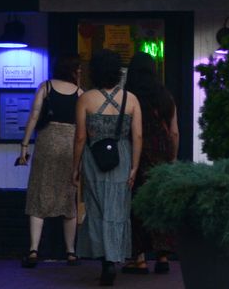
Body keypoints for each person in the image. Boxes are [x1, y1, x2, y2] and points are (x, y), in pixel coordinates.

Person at [72, 49, 141, 287]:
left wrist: (75, 166)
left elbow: (80, 137)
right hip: (122, 156)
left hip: (94, 157)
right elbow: (138, 136)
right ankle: (115, 257)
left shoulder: (85, 99)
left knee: (97, 209)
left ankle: (105, 262)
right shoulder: (131, 99)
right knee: (118, 210)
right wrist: (135, 166)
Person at [15, 54, 82, 268]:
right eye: (78, 69)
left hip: (46, 142)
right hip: (70, 145)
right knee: (69, 196)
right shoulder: (80, 93)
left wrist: (24, 146)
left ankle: (34, 249)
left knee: (38, 193)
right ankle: (71, 252)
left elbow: (34, 116)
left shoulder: (46, 87)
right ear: (73, 70)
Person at [123, 51, 180, 276]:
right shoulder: (166, 96)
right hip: (162, 152)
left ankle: (139, 259)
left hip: (137, 153)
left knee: (137, 205)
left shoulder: (130, 97)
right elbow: (174, 132)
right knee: (160, 202)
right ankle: (163, 256)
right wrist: (173, 158)